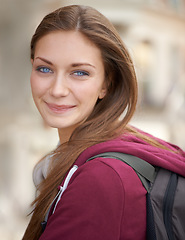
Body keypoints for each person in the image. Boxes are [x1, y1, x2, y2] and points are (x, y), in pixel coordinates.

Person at [23, 5, 185, 240]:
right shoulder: (116, 146)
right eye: (44, 69)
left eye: (79, 73)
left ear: (106, 83)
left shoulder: (101, 179)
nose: (57, 90)